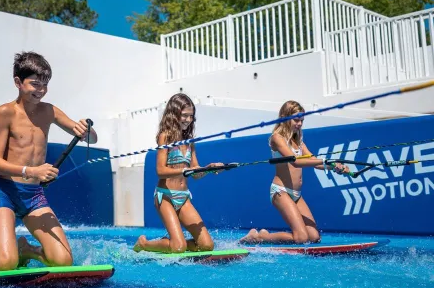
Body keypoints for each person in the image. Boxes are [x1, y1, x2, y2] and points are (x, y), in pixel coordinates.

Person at [0, 51, 97, 270]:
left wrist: (86, 130)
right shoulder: (5, 112)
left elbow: (89, 137)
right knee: (5, 264)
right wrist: (32, 171)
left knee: (63, 261)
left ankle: (27, 250)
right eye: (35, 84)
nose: (40, 90)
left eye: (45, 85)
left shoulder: (50, 111)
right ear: (18, 82)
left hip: (33, 196)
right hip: (4, 191)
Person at [240, 100, 348, 244]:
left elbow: (314, 162)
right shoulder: (277, 138)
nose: (300, 124)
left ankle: (264, 235)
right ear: (285, 117)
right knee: (301, 238)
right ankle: (260, 237)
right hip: (281, 191)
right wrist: (324, 161)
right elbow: (295, 161)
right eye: (296, 120)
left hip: (296, 195)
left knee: (314, 237)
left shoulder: (299, 142)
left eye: (302, 120)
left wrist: (334, 166)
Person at [133, 93, 223, 254]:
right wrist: (183, 170)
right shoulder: (165, 137)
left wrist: (208, 168)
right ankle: (144, 243)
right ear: (174, 114)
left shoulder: (189, 141)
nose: (188, 120)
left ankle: (169, 243)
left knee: (207, 246)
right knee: (179, 247)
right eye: (184, 115)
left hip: (184, 197)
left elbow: (195, 173)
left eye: (191, 116)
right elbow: (160, 171)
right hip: (165, 196)